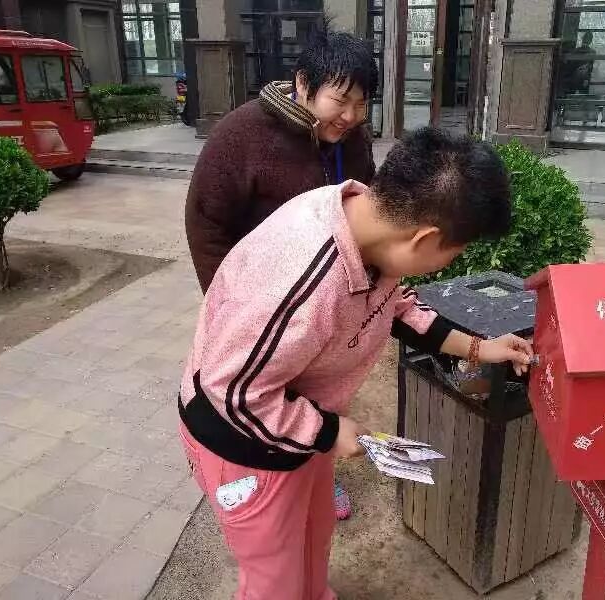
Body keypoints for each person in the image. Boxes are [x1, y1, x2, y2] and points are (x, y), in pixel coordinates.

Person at [178, 127, 534, 600]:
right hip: (244, 442)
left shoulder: (366, 221)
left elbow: (395, 306)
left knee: (314, 532)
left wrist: (478, 348)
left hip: (298, 421)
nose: (452, 262)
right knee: (273, 575)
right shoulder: (301, 282)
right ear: (425, 238)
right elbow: (233, 395)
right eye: (456, 251)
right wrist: (327, 431)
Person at [185, 29, 378, 520]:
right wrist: (230, 305)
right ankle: (256, 479)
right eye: (340, 101)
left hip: (327, 299)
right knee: (263, 392)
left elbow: (366, 203)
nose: (350, 116)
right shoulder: (242, 134)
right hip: (262, 305)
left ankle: (315, 472)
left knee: (318, 394)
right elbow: (206, 222)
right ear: (303, 83)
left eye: (361, 104)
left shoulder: (353, 138)